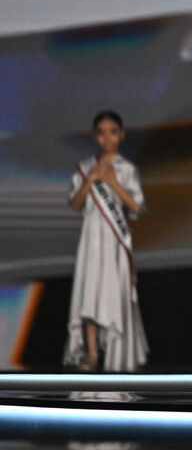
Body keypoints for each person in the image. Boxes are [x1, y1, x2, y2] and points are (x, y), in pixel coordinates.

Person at [64, 110, 148, 372]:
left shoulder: (127, 170)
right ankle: (91, 353)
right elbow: (76, 203)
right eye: (101, 133)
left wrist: (112, 182)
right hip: (91, 238)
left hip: (114, 240)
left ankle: (115, 353)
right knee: (90, 292)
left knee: (111, 293)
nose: (107, 138)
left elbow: (136, 207)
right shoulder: (85, 167)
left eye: (112, 132)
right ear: (95, 137)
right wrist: (91, 179)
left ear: (121, 135)